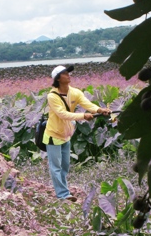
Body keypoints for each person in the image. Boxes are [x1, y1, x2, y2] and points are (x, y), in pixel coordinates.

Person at [43, 65, 111, 202]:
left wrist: (99, 110)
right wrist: (83, 116)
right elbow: (62, 114)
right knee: (55, 167)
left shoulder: (75, 92)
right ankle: (63, 195)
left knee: (65, 166)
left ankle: (64, 191)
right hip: (53, 135)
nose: (69, 75)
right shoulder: (52, 96)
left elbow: (87, 104)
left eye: (69, 73)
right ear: (58, 79)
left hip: (66, 135)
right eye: (65, 73)